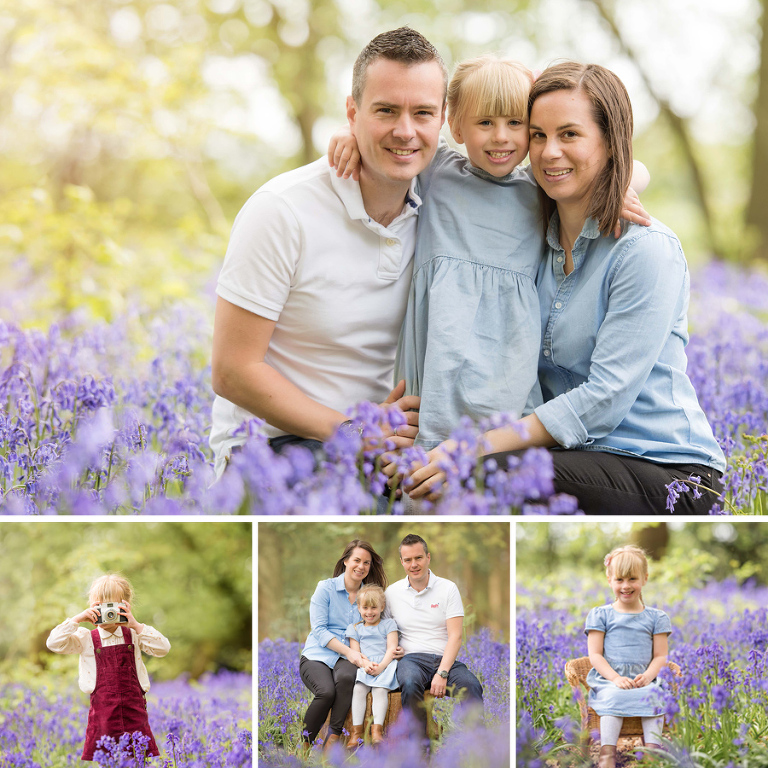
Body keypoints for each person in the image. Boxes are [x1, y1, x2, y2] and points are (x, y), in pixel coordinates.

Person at [404, 62, 726, 514]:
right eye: (537, 135)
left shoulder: (646, 251)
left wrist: (472, 447)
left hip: (666, 471)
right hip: (577, 458)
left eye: (569, 135)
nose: (549, 152)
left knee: (493, 474)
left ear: (611, 142)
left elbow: (604, 399)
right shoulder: (535, 241)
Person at [328, 55, 649, 453]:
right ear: (456, 126)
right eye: (485, 123)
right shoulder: (436, 171)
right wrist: (349, 134)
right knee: (421, 444)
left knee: (498, 455)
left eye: (516, 124)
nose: (501, 137)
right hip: (440, 340)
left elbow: (633, 167)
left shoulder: (536, 185)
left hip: (507, 351)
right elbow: (396, 142)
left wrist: (619, 186)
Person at [209, 27, 449, 478]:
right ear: (352, 112)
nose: (405, 130)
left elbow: (546, 165)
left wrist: (617, 192)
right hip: (271, 448)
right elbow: (232, 371)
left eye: (422, 113)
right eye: (385, 111)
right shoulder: (281, 210)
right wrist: (354, 433)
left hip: (379, 452)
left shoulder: (445, 202)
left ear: (442, 119)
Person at [46, 573, 170, 761]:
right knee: (107, 761)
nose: (108, 613)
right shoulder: (85, 638)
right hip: (103, 717)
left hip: (134, 713)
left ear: (126, 606)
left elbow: (163, 648)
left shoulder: (135, 634)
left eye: (112, 607)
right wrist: (77, 619)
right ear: (92, 606)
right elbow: (53, 643)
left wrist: (135, 624)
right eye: (101, 607)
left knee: (139, 761)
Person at [384, 534, 483, 735]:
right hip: (410, 660)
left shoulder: (448, 588)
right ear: (401, 562)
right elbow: (384, 631)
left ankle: (478, 748)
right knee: (410, 684)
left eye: (418, 558)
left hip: (443, 660)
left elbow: (455, 637)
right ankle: (421, 749)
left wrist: (442, 673)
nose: (414, 564)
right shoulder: (392, 593)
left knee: (471, 686)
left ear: (428, 557)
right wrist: (391, 649)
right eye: (408, 560)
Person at [586, 546, 671, 768]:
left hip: (643, 679)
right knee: (614, 697)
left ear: (645, 578)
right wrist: (615, 678)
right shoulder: (601, 615)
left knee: (654, 696)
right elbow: (595, 655)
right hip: (609, 680)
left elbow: (661, 655)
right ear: (609, 579)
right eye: (619, 579)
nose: (626, 585)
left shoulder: (656, 618)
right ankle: (608, 753)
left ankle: (652, 751)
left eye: (632, 578)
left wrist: (650, 675)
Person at [300, 540, 388, 752]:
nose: (361, 566)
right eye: (357, 560)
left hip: (352, 656)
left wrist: (394, 645)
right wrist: (350, 653)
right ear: (346, 561)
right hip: (318, 655)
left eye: (367, 563)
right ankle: (303, 745)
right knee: (326, 692)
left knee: (347, 678)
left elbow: (380, 626)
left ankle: (333, 738)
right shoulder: (325, 588)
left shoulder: (370, 595)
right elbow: (319, 630)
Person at [344, 584, 399, 749]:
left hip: (385, 665)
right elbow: (356, 653)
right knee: (359, 690)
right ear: (359, 608)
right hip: (365, 665)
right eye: (365, 608)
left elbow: (392, 648)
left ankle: (377, 732)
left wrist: (381, 666)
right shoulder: (355, 628)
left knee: (380, 690)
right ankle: (356, 732)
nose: (369, 612)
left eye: (374, 607)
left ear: (382, 607)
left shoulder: (388, 624)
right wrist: (366, 664)